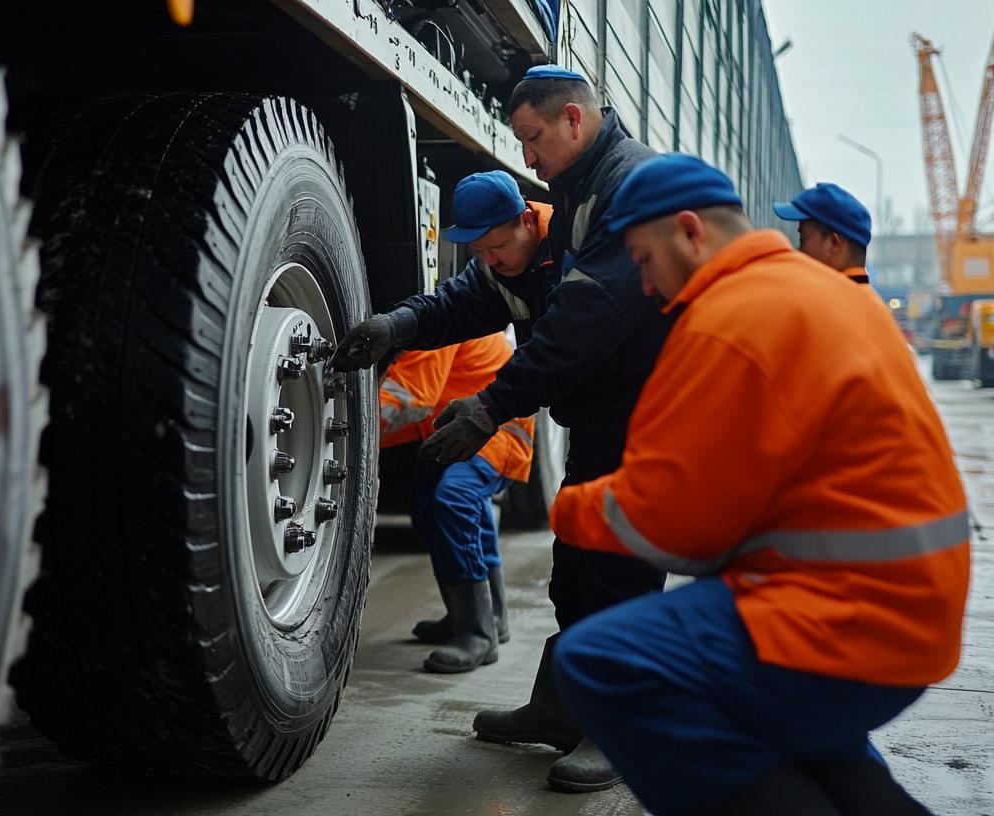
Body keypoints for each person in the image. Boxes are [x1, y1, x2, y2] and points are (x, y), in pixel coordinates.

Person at [547, 154, 969, 815]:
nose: (647, 286)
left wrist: (568, 510)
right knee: (798, 737)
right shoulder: (823, 292)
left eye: (645, 260)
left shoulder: (730, 318)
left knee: (600, 661)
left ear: (690, 233)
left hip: (851, 615)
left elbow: (669, 519)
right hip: (917, 609)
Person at [331, 65, 670, 792]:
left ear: (574, 118)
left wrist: (490, 406)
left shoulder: (631, 187)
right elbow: (467, 299)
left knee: (620, 571)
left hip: (654, 417)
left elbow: (582, 322)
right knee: (577, 567)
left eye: (532, 136)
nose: (527, 155)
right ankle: (563, 706)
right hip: (608, 419)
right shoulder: (572, 197)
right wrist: (397, 325)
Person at [379, 336, 535, 673]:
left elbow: (411, 397)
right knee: (431, 506)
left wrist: (350, 430)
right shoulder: (433, 327)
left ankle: (477, 633)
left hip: (494, 429)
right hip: (465, 428)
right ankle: (487, 616)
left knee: (455, 499)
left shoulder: (435, 329)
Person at [775, 182, 874, 284]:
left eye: (802, 239)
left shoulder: (812, 293)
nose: (798, 251)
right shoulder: (866, 294)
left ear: (833, 243)